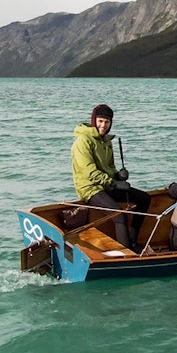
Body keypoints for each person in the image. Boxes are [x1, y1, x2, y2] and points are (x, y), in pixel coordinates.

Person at [71, 104, 151, 251]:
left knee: (144, 199)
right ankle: (126, 254)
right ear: (94, 121)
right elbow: (89, 172)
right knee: (119, 215)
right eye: (100, 121)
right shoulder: (83, 141)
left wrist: (118, 176)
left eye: (107, 122)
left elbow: (110, 166)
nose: (103, 125)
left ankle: (132, 241)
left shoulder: (106, 140)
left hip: (106, 185)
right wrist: (114, 184)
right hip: (90, 188)